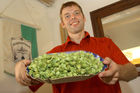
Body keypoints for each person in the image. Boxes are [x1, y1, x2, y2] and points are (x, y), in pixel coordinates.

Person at [15, 1, 138, 93]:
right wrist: (21, 67)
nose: (72, 17)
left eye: (76, 13)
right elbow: (31, 81)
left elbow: (132, 72)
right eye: (67, 16)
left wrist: (118, 71)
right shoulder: (52, 55)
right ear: (63, 24)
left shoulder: (106, 43)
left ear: (84, 18)